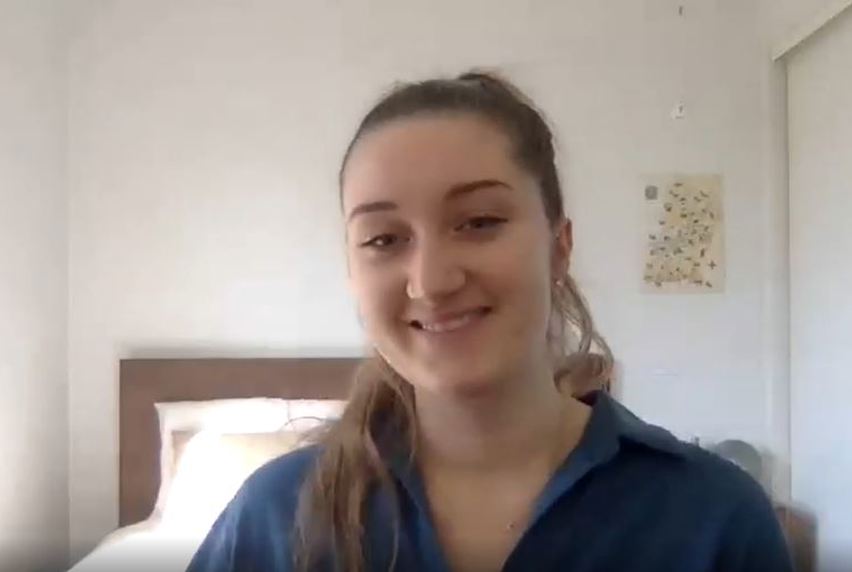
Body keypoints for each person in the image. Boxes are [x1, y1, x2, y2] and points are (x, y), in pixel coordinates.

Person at [186, 71, 792, 572]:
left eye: (478, 222)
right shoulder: (275, 518)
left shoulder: (713, 518)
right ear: (351, 273)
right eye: (383, 238)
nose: (430, 281)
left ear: (560, 246)